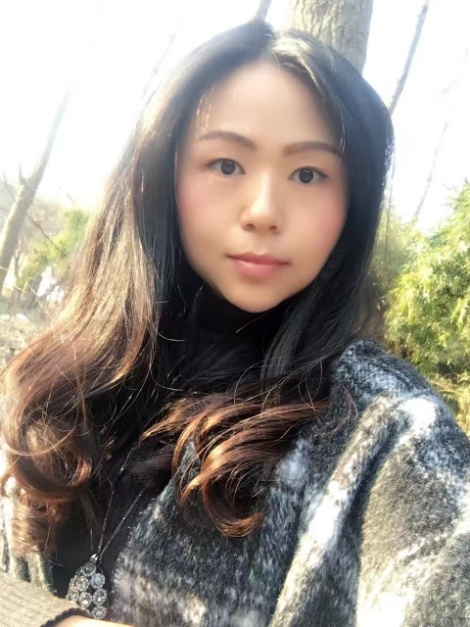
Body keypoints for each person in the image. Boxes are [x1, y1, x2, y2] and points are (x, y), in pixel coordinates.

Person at [1, 19, 469, 627]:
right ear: (161, 175)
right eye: (225, 164)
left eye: (309, 174)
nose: (264, 211)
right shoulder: (63, 374)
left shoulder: (382, 427)